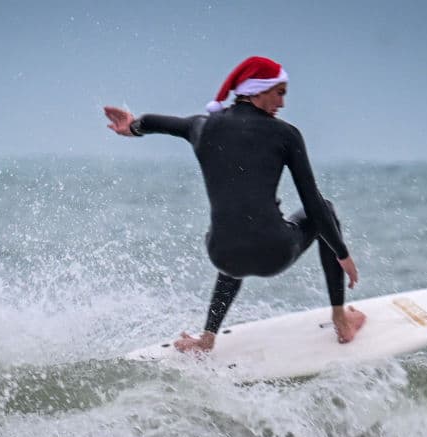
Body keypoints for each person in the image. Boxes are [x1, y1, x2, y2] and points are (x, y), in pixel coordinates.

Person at [105, 55, 365, 353]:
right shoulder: (286, 135)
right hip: (275, 253)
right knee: (326, 209)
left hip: (221, 254)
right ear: (257, 90)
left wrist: (132, 127)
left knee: (236, 228)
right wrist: (341, 252)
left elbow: (153, 122)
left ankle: (207, 339)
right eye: (279, 93)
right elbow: (314, 203)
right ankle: (340, 319)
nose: (282, 103)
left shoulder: (202, 127)